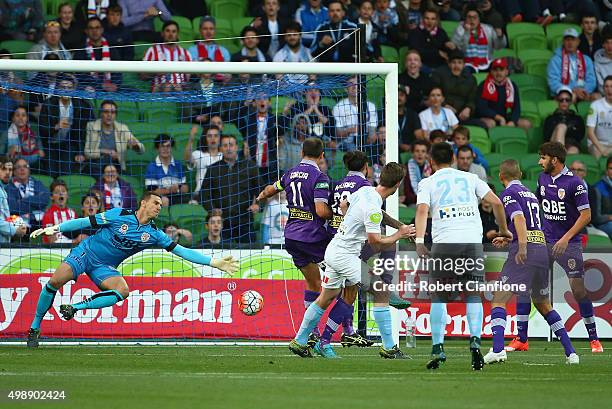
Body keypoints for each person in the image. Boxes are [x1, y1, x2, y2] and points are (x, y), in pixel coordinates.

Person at [26, 191, 239, 348]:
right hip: (86, 253)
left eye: (160, 206)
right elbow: (86, 221)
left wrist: (214, 262)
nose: (158, 207)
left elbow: (182, 251)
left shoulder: (154, 234)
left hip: (105, 267)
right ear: (143, 203)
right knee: (54, 282)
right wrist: (56, 228)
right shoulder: (119, 214)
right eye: (155, 203)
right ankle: (35, 328)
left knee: (123, 290)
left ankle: (74, 308)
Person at [287, 162, 413, 358]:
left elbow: (344, 205)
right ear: (397, 185)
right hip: (345, 255)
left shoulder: (366, 191)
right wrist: (400, 234)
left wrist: (352, 222)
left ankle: (300, 341)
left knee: (325, 298)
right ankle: (389, 348)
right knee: (380, 292)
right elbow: (376, 243)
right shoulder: (372, 206)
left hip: (335, 249)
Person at [415, 142, 511, 370]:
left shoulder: (427, 182)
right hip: (472, 242)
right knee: (473, 295)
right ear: (454, 159)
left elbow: (421, 210)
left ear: (431, 162)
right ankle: (475, 342)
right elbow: (496, 201)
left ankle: (438, 348)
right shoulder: (469, 178)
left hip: (444, 242)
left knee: (439, 296)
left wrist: (419, 241)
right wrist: (504, 230)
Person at [508, 142, 604, 354]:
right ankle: (521, 338)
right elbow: (535, 204)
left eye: (542, 158)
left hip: (569, 244)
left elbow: (586, 216)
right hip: (544, 241)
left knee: (578, 290)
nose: (539, 162)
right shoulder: (542, 179)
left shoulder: (575, 183)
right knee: (525, 283)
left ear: (554, 159)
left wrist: (566, 238)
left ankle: (594, 339)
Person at [485, 159, 579, 365]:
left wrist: (522, 246)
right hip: (541, 251)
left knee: (498, 299)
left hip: (526, 252)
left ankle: (498, 349)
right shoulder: (530, 195)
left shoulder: (508, 194)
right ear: (519, 175)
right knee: (544, 304)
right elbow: (533, 226)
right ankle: (571, 353)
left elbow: (518, 219)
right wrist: (510, 237)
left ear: (502, 177)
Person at [257, 138, 333, 347]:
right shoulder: (320, 177)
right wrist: (334, 213)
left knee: (313, 283)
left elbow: (272, 189)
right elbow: (320, 210)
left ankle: (313, 333)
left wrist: (260, 197)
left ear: (301, 152)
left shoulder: (290, 173)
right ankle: (343, 330)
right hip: (314, 237)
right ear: (322, 155)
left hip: (291, 237)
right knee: (344, 278)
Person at [201, 134, 260, 243]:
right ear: (220, 149)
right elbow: (204, 194)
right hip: (222, 223)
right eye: (225, 145)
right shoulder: (213, 169)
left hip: (245, 220)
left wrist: (257, 204)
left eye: (231, 145)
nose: (228, 148)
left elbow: (261, 191)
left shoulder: (250, 167)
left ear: (237, 147)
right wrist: (211, 209)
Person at [38, 75, 95, 177]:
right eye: (63, 87)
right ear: (58, 89)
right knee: (52, 173)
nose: (66, 90)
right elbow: (42, 129)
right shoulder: (49, 104)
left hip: (69, 145)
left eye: (69, 88)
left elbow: (81, 132)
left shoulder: (80, 105)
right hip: (50, 144)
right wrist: (56, 127)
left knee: (65, 173)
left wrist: (80, 151)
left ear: (74, 90)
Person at [84, 100, 144, 175]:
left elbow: (142, 149)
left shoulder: (122, 128)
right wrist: (105, 151)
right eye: (106, 112)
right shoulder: (91, 126)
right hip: (96, 166)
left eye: (112, 112)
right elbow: (87, 153)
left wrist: (135, 146)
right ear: (101, 114)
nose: (109, 115)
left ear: (115, 115)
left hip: (115, 167)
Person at [476, 58, 531, 130]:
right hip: (488, 117)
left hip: (504, 117)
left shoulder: (512, 86)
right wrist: (499, 118)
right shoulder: (484, 85)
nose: (498, 73)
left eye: (501, 70)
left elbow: (516, 108)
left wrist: (512, 122)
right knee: (491, 123)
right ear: (491, 72)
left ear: (506, 72)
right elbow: (482, 109)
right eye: (495, 70)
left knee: (526, 124)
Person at [547, 28, 597, 102]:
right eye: (567, 40)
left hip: (583, 92)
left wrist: (584, 91)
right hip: (563, 93)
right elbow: (553, 83)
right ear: (563, 42)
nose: (570, 43)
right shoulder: (555, 60)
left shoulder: (586, 59)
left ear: (578, 42)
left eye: (573, 40)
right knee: (571, 97)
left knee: (597, 97)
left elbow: (592, 81)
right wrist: (572, 90)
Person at [73, 16, 122, 92]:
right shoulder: (81, 50)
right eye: (91, 28)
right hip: (90, 88)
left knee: (133, 90)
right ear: (86, 31)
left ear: (102, 30)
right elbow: (81, 75)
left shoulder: (112, 49)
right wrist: (100, 85)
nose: (94, 31)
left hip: (111, 88)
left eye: (97, 27)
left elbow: (118, 71)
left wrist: (115, 84)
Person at [451, 4, 505, 72]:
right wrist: (467, 33)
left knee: (501, 69)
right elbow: (459, 51)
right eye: (469, 17)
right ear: (465, 19)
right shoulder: (459, 30)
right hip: (467, 64)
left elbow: (498, 47)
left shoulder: (488, 29)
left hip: (487, 63)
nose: (472, 20)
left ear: (479, 19)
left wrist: (500, 37)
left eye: (475, 17)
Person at [239, 96, 280, 186]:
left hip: (270, 161)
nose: (262, 100)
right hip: (253, 158)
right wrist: (245, 105)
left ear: (269, 103)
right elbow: (236, 118)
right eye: (259, 98)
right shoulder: (248, 119)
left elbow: (280, 135)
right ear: (254, 103)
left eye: (265, 98)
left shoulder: (275, 119)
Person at [142, 20, 192, 93]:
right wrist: (156, 72)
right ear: (162, 33)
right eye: (168, 31)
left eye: (174, 31)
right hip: (159, 88)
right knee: (167, 86)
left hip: (181, 89)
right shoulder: (153, 50)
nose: (171, 34)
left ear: (177, 34)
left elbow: (188, 78)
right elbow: (143, 76)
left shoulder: (185, 53)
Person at [431, 50, 479, 126]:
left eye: (459, 62)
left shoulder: (471, 79)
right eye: (454, 62)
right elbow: (434, 94)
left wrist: (468, 108)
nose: (456, 66)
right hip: (442, 113)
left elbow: (472, 98)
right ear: (449, 64)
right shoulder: (439, 75)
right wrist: (444, 105)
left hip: (462, 115)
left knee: (481, 125)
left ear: (464, 65)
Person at [332, 76, 378, 152]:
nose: (354, 86)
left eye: (357, 84)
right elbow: (338, 134)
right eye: (351, 84)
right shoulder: (339, 107)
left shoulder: (371, 106)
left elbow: (372, 133)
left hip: (366, 141)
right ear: (346, 89)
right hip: (346, 143)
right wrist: (353, 130)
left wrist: (365, 134)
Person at [144, 133, 189, 206]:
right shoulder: (152, 167)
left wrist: (179, 188)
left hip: (178, 197)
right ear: (157, 148)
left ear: (172, 148)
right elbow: (152, 192)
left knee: (192, 202)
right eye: (162, 146)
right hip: (161, 199)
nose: (165, 149)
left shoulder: (178, 165)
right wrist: (169, 190)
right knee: (164, 200)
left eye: (168, 146)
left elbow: (185, 188)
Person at [6, 158, 50, 228]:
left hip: (39, 222)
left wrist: (23, 200)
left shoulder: (37, 184)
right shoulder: (9, 187)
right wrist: (35, 205)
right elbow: (12, 207)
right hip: (18, 224)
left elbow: (44, 200)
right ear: (14, 172)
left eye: (25, 166)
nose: (22, 169)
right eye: (18, 167)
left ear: (29, 170)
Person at [184, 125, 222, 197]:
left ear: (220, 138)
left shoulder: (224, 156)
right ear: (205, 138)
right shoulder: (198, 154)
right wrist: (191, 138)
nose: (213, 138)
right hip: (201, 194)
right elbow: (187, 159)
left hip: (221, 195)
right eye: (209, 136)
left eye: (216, 136)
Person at [543, 88, 585, 153]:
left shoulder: (577, 118)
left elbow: (580, 136)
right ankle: (560, 156)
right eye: (561, 100)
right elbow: (546, 136)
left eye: (567, 100)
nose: (564, 102)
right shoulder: (550, 118)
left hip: (571, 144)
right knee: (561, 127)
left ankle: (561, 159)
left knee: (574, 150)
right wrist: (566, 128)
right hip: (553, 146)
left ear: (571, 102)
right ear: (557, 101)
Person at [5, 106, 45, 171]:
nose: (20, 118)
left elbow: (42, 154)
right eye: (17, 115)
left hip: (34, 166)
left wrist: (39, 150)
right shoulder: (6, 134)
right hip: (13, 168)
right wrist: (8, 152)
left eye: (23, 115)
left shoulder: (34, 130)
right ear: (13, 118)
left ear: (27, 118)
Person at [41, 179, 77, 244]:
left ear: (67, 195)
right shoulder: (48, 215)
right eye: (57, 192)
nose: (61, 194)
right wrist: (75, 241)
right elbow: (51, 240)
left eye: (63, 191)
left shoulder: (73, 213)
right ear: (51, 197)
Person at [0, 157, 27, 243]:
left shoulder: (3, 190)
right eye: (3, 169)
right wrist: (14, 230)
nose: (7, 172)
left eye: (10, 169)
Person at [586, 75, 612, 158]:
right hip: (596, 144)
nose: (609, 89)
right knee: (597, 153)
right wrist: (601, 149)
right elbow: (590, 132)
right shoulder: (595, 105)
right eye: (606, 86)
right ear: (603, 88)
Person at [402, 139, 431, 205]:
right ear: (412, 153)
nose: (420, 154)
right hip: (413, 203)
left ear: (427, 154)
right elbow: (407, 194)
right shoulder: (406, 168)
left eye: (423, 151)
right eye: (417, 151)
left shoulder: (431, 168)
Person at [397, 86, 423, 152]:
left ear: (406, 98)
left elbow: (419, 135)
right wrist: (399, 145)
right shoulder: (385, 114)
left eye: (401, 95)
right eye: (396, 95)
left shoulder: (412, 114)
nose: (398, 98)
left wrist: (412, 147)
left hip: (410, 150)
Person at [592, 157, 612, 239]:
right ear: (607, 171)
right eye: (611, 168)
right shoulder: (598, 188)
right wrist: (610, 217)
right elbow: (595, 218)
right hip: (603, 224)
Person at [594, 25, 612, 95]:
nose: (610, 46)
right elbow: (600, 86)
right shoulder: (597, 63)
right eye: (607, 42)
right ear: (603, 44)